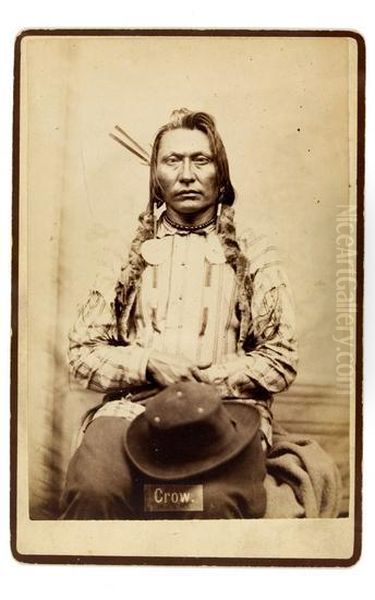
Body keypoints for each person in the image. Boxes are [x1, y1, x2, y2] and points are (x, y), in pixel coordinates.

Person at [60, 109, 298, 520]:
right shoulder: (124, 252)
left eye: (200, 160)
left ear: (220, 175)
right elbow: (82, 353)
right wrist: (149, 363)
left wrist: (203, 383)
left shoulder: (255, 252)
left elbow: (282, 359)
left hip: (226, 411)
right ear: (156, 176)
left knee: (216, 504)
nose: (186, 174)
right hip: (132, 408)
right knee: (93, 489)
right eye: (173, 161)